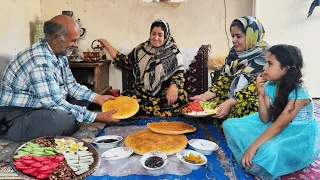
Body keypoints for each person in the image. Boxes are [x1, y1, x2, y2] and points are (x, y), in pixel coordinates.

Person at [0, 15, 120, 142]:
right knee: (63, 120)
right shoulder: (40, 61)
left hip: (40, 105)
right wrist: (97, 116)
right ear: (56, 38)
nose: (76, 45)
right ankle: (9, 132)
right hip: (14, 116)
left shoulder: (60, 54)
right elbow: (54, 103)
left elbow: (71, 85)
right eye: (73, 41)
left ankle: (73, 117)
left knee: (83, 101)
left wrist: (98, 98)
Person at [222, 44, 320, 179]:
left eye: (269, 64)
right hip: (274, 123)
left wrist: (252, 147)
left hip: (297, 133)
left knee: (270, 150)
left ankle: (261, 158)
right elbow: (265, 119)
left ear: (286, 69)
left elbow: (279, 126)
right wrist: (261, 95)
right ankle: (256, 154)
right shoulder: (270, 85)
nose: (264, 67)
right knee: (230, 124)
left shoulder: (299, 94)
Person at [99, 19, 188, 117]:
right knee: (125, 97)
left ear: (166, 35)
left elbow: (178, 74)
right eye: (153, 34)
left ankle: (141, 110)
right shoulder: (141, 49)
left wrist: (174, 87)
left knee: (182, 96)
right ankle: (157, 111)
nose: (156, 38)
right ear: (150, 33)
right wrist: (107, 45)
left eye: (160, 35)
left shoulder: (173, 51)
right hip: (143, 95)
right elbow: (125, 62)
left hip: (164, 96)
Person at [190, 16, 268, 126]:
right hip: (234, 96)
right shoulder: (234, 54)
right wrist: (205, 95)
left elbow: (255, 89)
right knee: (210, 105)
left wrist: (230, 102)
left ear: (252, 36)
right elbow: (224, 81)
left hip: (255, 99)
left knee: (247, 106)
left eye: (238, 36)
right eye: (232, 36)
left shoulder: (266, 58)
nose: (234, 40)